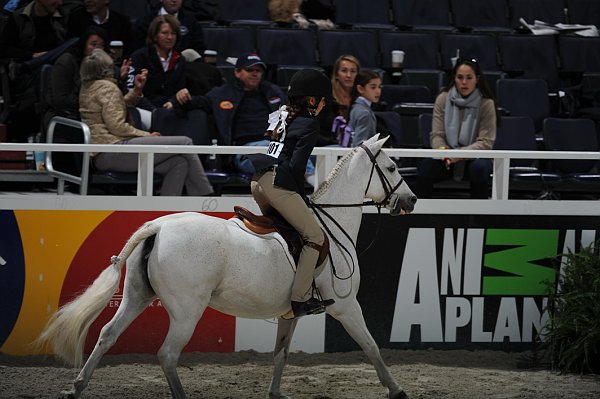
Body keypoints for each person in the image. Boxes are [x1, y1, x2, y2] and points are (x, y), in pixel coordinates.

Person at [247, 68, 335, 319]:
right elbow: (297, 165)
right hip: (278, 184)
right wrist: (302, 194)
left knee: (290, 233)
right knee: (315, 238)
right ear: (311, 101)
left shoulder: (284, 117)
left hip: (258, 181)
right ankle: (299, 299)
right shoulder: (310, 122)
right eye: (322, 100)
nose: (323, 105)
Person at [79, 48, 214, 196]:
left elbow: (115, 108)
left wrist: (136, 90)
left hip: (101, 153)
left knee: (179, 162)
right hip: (112, 149)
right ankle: (206, 196)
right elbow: (117, 126)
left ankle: (165, 211)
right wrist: (146, 135)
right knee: (185, 143)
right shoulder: (108, 88)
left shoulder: (88, 88)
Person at [176, 53, 296, 176]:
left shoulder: (273, 91)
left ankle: (309, 180)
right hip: (245, 149)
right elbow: (195, 103)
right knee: (282, 159)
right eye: (249, 70)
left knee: (298, 151)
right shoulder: (222, 93)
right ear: (237, 73)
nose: (255, 74)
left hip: (274, 144)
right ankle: (300, 175)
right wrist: (181, 97)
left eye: (258, 70)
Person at [415, 58, 496, 199]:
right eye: (460, 77)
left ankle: (479, 218)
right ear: (454, 79)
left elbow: (485, 142)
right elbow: (436, 135)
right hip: (446, 157)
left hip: (474, 157)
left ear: (477, 79)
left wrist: (457, 155)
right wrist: (444, 152)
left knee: (480, 168)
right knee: (426, 167)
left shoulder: (487, 104)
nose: (464, 82)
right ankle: (422, 214)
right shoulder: (442, 99)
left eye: (469, 78)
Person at [45, 25, 109, 127]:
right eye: (93, 44)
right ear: (84, 45)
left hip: (96, 117)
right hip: (67, 118)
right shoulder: (66, 62)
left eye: (101, 46)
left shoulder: (103, 65)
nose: (97, 50)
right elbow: (61, 101)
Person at [127, 14, 188, 110]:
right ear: (155, 36)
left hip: (170, 110)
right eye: (165, 33)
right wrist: (153, 111)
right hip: (142, 109)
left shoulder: (180, 60)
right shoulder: (139, 57)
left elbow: (180, 89)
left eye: (173, 33)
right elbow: (130, 89)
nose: (170, 37)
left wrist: (173, 102)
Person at [66, 0, 134, 60]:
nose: (87, 0)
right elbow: (72, 48)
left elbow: (129, 50)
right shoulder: (76, 18)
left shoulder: (122, 22)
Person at [133, 0, 205, 55]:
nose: (174, 0)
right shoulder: (145, 21)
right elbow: (137, 48)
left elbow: (199, 49)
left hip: (184, 67)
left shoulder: (191, 22)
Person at [317, 54, 360, 146]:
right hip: (327, 147)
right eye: (344, 71)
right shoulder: (325, 99)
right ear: (336, 74)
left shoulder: (360, 100)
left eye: (353, 71)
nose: (349, 75)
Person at [348, 70, 382, 147]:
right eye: (373, 87)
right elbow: (359, 145)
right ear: (360, 89)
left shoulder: (357, 107)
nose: (378, 91)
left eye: (379, 87)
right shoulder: (364, 113)